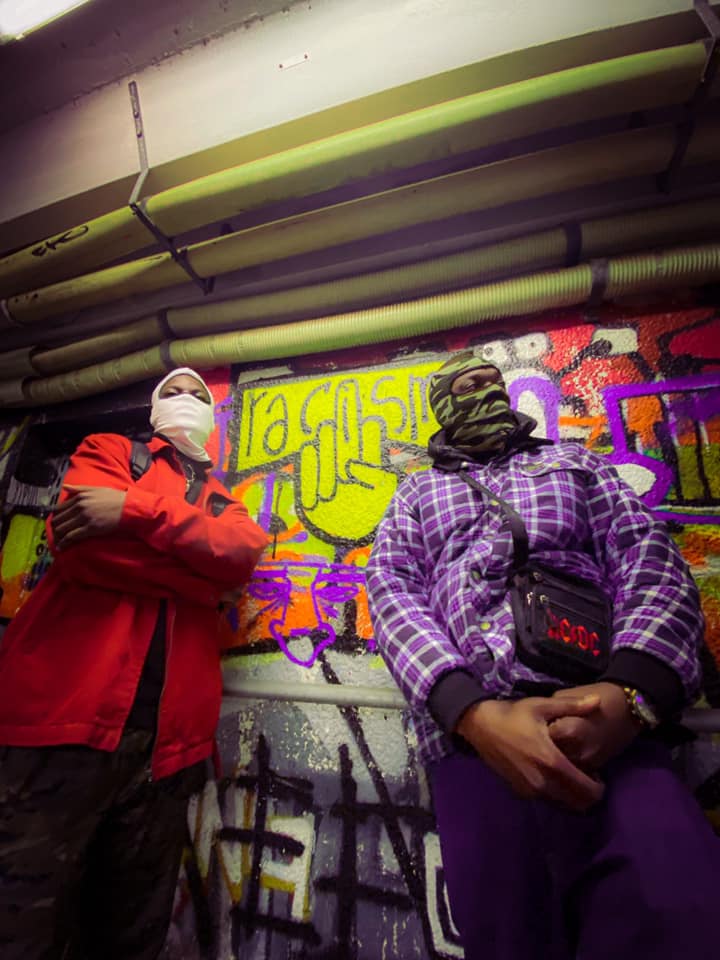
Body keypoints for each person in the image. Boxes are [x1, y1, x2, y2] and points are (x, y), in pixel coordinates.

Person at [366, 351, 720, 960]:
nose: (489, 390)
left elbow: (649, 559)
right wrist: (469, 711)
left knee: (683, 915)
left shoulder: (576, 464)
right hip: (475, 748)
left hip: (611, 730)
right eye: (470, 384)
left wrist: (629, 696)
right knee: (509, 939)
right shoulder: (415, 494)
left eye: (494, 381)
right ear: (443, 405)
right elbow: (392, 591)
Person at [0, 367, 268, 960]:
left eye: (198, 394)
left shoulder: (224, 499)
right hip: (60, 729)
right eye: (172, 391)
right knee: (21, 924)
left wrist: (132, 512)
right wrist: (202, 585)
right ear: (153, 408)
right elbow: (85, 553)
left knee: (130, 932)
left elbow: (241, 552)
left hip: (166, 751)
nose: (186, 399)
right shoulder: (110, 452)